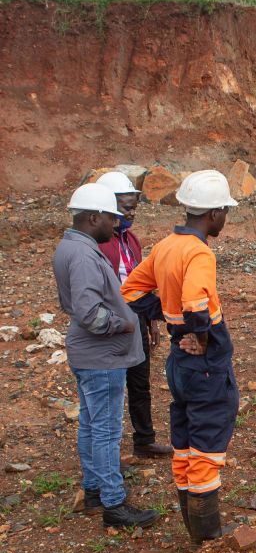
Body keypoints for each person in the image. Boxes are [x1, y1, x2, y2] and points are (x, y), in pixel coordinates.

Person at [121, 170, 239, 543]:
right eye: (224, 212)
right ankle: (207, 533)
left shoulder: (166, 245)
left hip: (179, 363)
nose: (224, 218)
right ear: (215, 213)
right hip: (203, 364)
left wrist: (169, 317)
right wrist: (198, 334)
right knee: (206, 439)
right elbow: (196, 302)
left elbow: (131, 292)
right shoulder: (199, 253)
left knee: (186, 438)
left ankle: (194, 524)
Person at [52, 184, 159, 528]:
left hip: (90, 354)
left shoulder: (71, 247)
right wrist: (122, 325)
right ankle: (114, 504)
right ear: (92, 217)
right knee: (106, 431)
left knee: (91, 424)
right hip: (102, 355)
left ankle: (95, 491)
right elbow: (88, 311)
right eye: (110, 219)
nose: (114, 227)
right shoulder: (83, 254)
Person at [94, 171, 171, 459]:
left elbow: (143, 282)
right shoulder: (99, 243)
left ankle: (144, 440)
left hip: (136, 317)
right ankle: (107, 451)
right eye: (126, 207)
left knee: (140, 382)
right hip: (111, 322)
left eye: (134, 207)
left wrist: (151, 322)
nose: (132, 213)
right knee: (111, 387)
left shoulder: (132, 240)